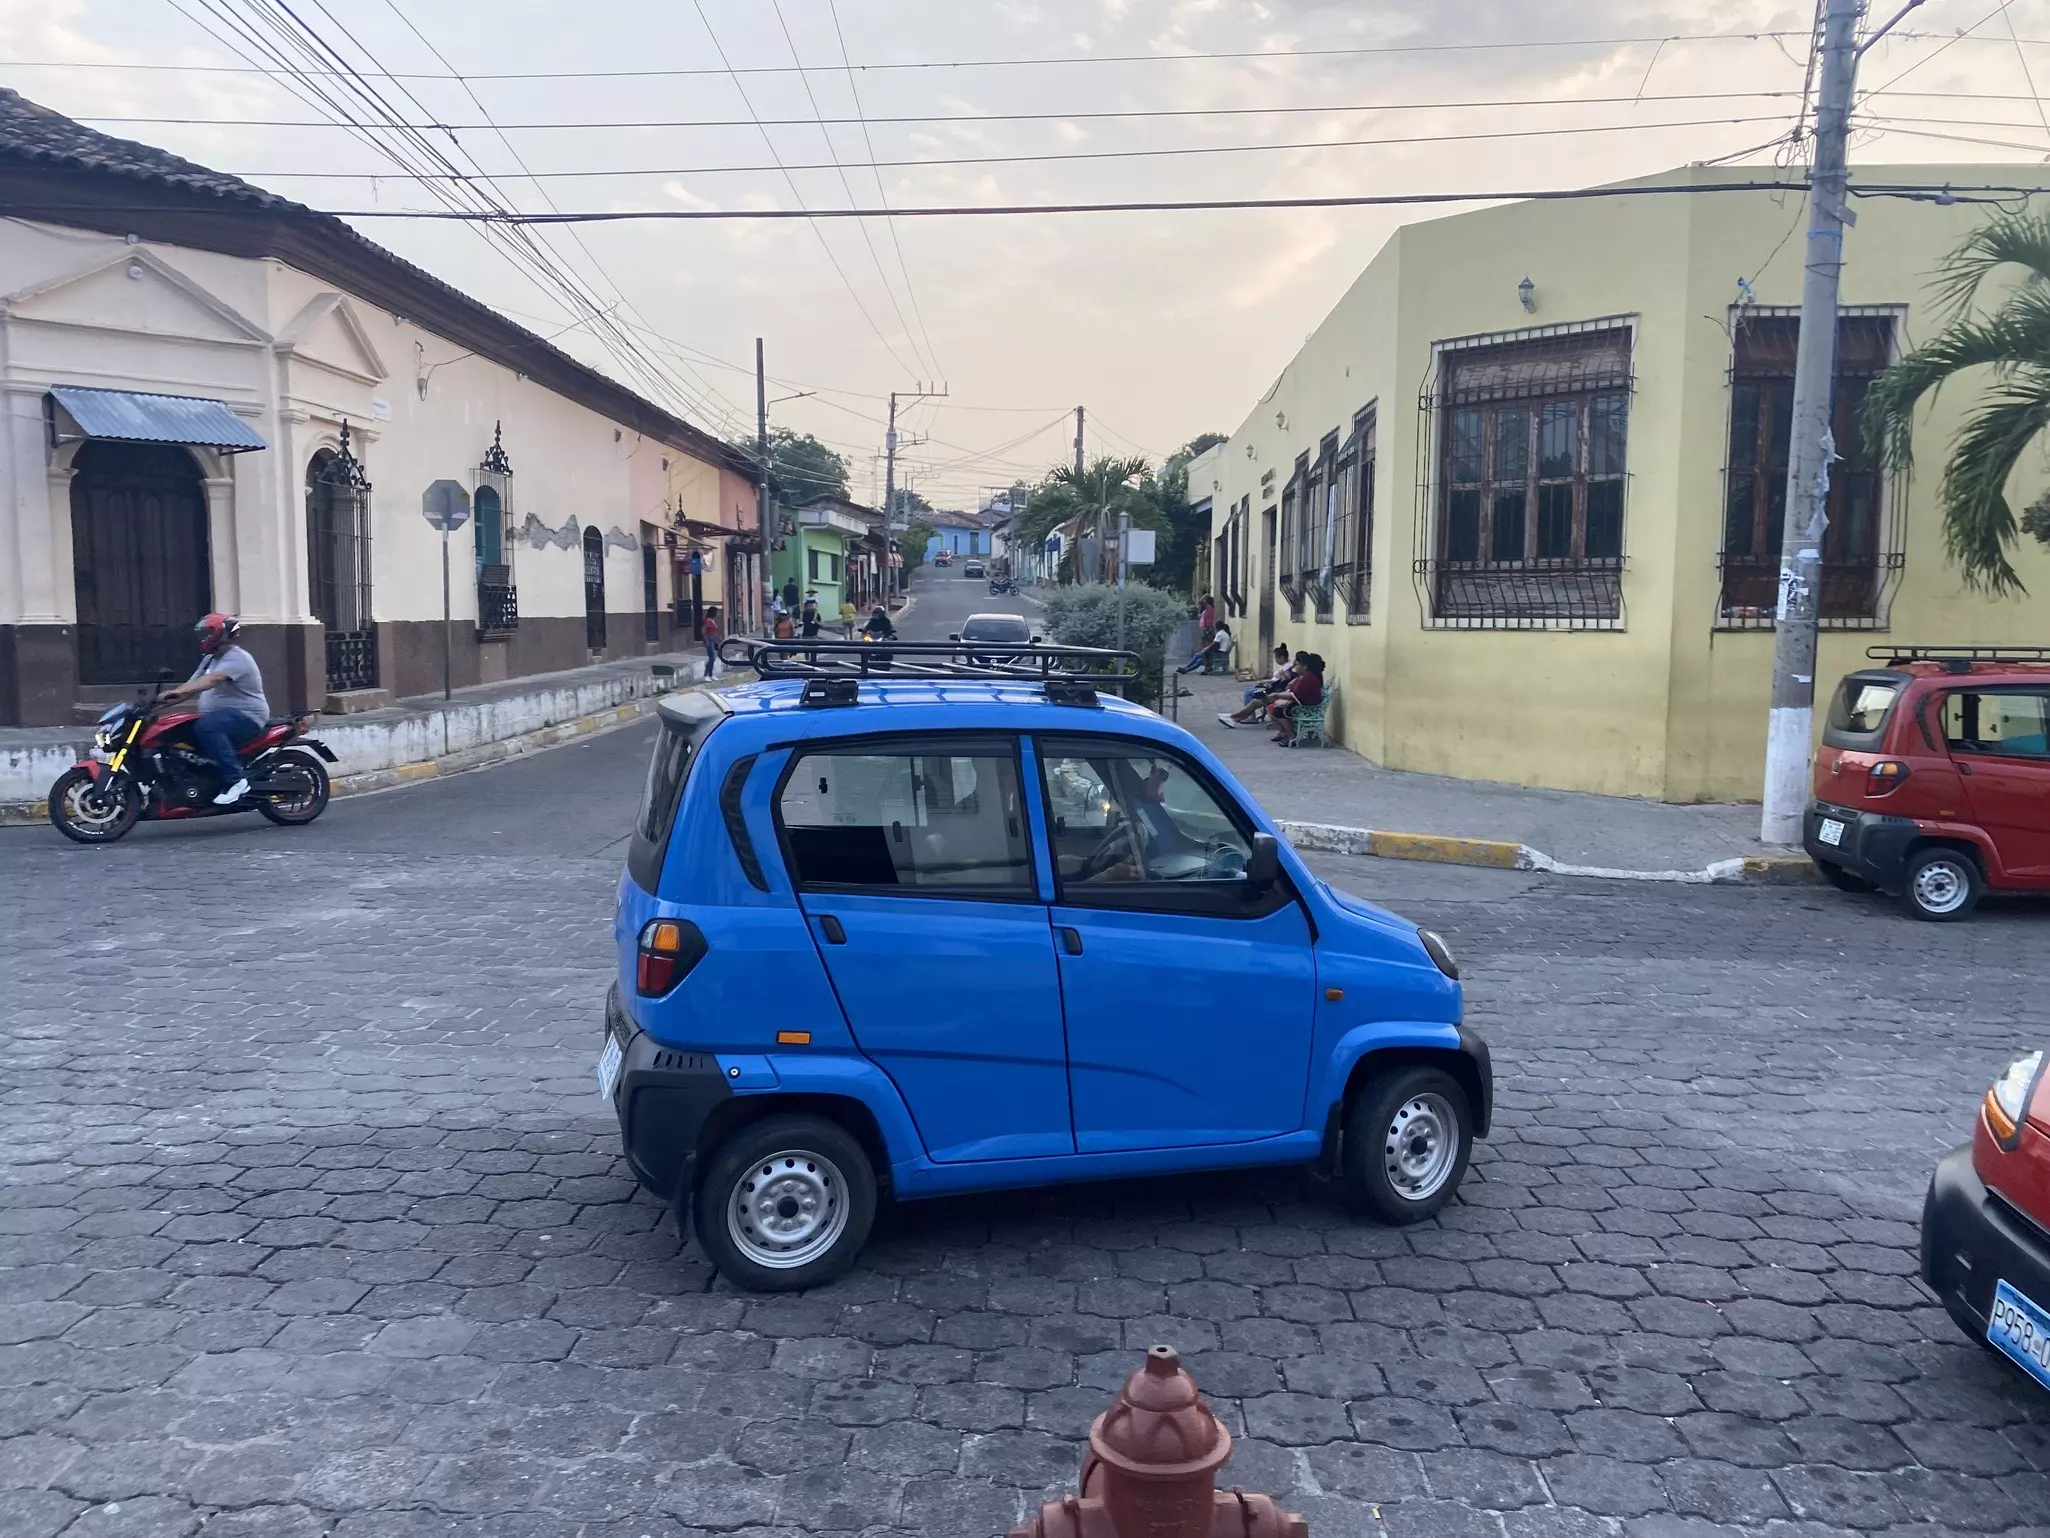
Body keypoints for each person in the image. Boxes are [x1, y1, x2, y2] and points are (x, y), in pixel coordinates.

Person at [161, 613, 269, 805]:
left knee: (208, 727)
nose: (203, 638)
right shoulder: (209, 660)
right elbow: (189, 689)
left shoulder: (238, 658)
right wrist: (155, 705)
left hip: (248, 717)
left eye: (208, 633)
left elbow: (212, 680)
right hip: (223, 719)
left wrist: (177, 690)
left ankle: (237, 781)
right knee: (175, 731)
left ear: (221, 634)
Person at [1218, 644, 1292, 727]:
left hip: (1275, 692)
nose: (1275, 660)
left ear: (1281, 657)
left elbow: (1281, 683)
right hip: (1275, 691)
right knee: (1252, 699)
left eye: (1276, 658)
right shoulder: (1289, 670)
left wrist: (1268, 683)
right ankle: (1232, 717)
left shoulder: (1287, 669)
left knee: (1250, 695)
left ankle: (1236, 717)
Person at [1268, 652, 1325, 745]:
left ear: (1305, 666)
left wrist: (1278, 696)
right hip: (1302, 702)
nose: (1295, 667)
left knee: (1278, 710)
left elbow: (1296, 694)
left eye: (1297, 665)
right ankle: (1284, 733)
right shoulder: (1303, 676)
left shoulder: (1308, 677)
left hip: (1307, 706)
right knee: (1273, 706)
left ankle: (1291, 736)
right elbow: (1293, 691)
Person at [700, 605, 721, 679]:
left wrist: (718, 639)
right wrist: (706, 640)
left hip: (713, 639)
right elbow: (703, 630)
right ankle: (706, 675)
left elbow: (714, 631)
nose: (718, 613)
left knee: (713, 658)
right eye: (716, 612)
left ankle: (711, 675)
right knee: (712, 658)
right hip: (709, 640)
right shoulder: (708, 620)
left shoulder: (712, 620)